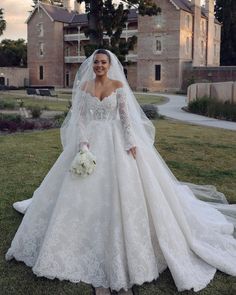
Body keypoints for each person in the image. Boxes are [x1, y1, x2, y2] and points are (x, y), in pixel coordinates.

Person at [6, 49, 236, 294]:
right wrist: (83, 145)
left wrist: (131, 143)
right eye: (96, 62)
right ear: (92, 65)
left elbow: (126, 118)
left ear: (110, 65)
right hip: (91, 141)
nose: (99, 66)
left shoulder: (118, 86)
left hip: (116, 141)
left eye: (103, 62)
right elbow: (80, 119)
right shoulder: (84, 87)